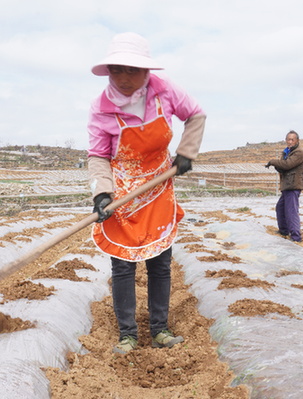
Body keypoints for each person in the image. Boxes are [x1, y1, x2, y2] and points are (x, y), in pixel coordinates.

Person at [87, 32, 206, 354]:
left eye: (132, 70)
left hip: (157, 184)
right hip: (122, 189)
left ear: (146, 72)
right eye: (117, 70)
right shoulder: (102, 107)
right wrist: (102, 193)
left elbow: (196, 115)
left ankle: (160, 329)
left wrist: (186, 152)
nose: (124, 78)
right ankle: (127, 333)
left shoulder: (164, 91)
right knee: (123, 265)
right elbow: (98, 155)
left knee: (160, 263)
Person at [265, 130, 303, 242]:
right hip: (287, 186)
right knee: (280, 208)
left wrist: (273, 162)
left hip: (293, 186)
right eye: (288, 139)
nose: (290, 141)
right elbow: (283, 167)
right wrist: (277, 165)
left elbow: (287, 165)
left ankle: (296, 237)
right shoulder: (287, 152)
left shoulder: (299, 153)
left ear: (297, 141)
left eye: (292, 139)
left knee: (291, 211)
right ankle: (284, 231)